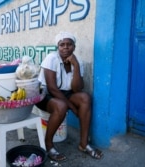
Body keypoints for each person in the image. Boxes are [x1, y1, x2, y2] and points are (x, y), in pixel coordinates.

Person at [36, 31, 103, 161]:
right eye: (62, 44)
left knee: (85, 98)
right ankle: (48, 145)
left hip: (65, 94)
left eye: (69, 44)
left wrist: (76, 66)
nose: (66, 47)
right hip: (45, 94)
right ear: (58, 47)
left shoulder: (77, 61)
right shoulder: (51, 58)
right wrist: (72, 108)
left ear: (74, 47)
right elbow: (52, 88)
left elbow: (77, 88)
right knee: (61, 106)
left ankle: (84, 144)